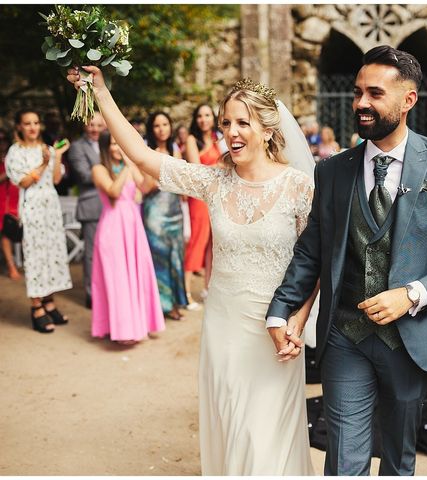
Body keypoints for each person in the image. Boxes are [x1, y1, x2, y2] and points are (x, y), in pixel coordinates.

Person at [67, 67, 317, 475]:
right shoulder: (214, 182)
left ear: (268, 129)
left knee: (266, 432)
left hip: (276, 329)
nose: (231, 132)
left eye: (242, 122)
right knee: (233, 421)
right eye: (225, 123)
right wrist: (100, 93)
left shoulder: (298, 186)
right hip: (224, 326)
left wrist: (299, 320)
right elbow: (144, 156)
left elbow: (314, 262)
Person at [267, 45, 427, 475]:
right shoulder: (332, 171)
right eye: (358, 91)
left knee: (399, 459)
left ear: (408, 100)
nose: (361, 103)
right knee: (344, 459)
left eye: (375, 93)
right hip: (345, 336)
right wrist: (280, 312)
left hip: (411, 338)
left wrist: (412, 294)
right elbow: (310, 252)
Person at [91, 131, 164, 344]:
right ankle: (120, 329)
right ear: (106, 147)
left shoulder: (129, 168)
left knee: (136, 273)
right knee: (118, 278)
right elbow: (113, 191)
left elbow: (146, 187)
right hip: (112, 227)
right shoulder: (99, 169)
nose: (118, 148)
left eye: (119, 144)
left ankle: (140, 324)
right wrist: (126, 164)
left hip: (133, 227)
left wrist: (147, 165)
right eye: (114, 144)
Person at [5, 109, 72, 333]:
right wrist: (43, 163)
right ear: (19, 127)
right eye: (27, 123)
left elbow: (56, 180)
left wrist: (57, 155)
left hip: (50, 208)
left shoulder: (47, 149)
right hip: (32, 208)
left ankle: (49, 302)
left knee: (52, 254)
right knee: (35, 255)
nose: (33, 127)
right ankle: (36, 306)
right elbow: (24, 182)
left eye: (36, 122)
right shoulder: (15, 152)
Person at [143, 112, 187, 320]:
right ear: (151, 129)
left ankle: (176, 300)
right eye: (157, 125)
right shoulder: (146, 150)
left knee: (176, 256)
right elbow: (146, 184)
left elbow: (181, 181)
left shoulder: (175, 149)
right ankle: (162, 305)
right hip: (155, 212)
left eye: (165, 124)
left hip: (174, 210)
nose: (161, 129)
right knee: (158, 257)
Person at [183, 104, 223, 310]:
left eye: (207, 115)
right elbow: (197, 170)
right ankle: (186, 292)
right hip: (199, 197)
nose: (204, 119)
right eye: (200, 116)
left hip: (216, 196)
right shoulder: (192, 140)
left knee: (212, 245)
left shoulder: (218, 139)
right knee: (197, 242)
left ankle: (208, 288)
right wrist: (219, 168)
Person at [67, 112, 107, 308]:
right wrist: (112, 175)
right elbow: (84, 176)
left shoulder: (108, 143)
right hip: (91, 205)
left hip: (113, 205)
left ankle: (109, 290)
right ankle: (93, 294)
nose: (95, 129)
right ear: (85, 125)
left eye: (99, 125)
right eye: (91, 125)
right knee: (92, 253)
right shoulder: (77, 147)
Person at [0, 128, 21, 280]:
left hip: (16, 196)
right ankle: (11, 265)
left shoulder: (14, 155)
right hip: (2, 199)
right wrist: (7, 172)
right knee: (5, 233)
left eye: (4, 140)